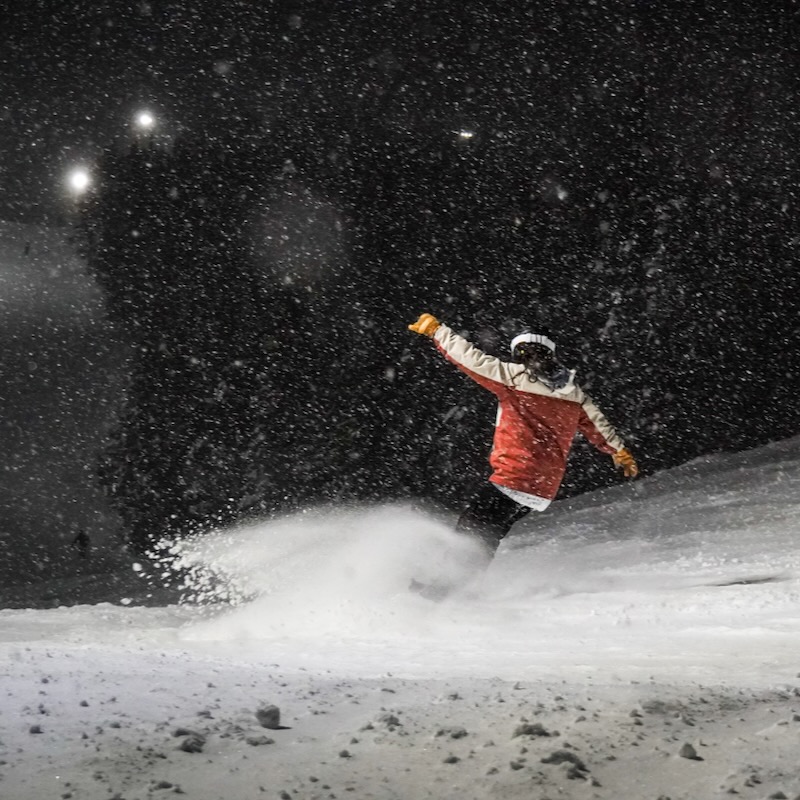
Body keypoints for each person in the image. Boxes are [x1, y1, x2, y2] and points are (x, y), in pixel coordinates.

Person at [408, 312, 638, 595]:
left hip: (515, 475)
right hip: (543, 487)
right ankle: (460, 585)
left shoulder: (514, 378)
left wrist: (438, 331)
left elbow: (471, 359)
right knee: (487, 531)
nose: (527, 359)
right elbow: (597, 424)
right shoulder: (572, 392)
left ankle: (443, 587)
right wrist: (619, 451)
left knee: (472, 527)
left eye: (527, 353)